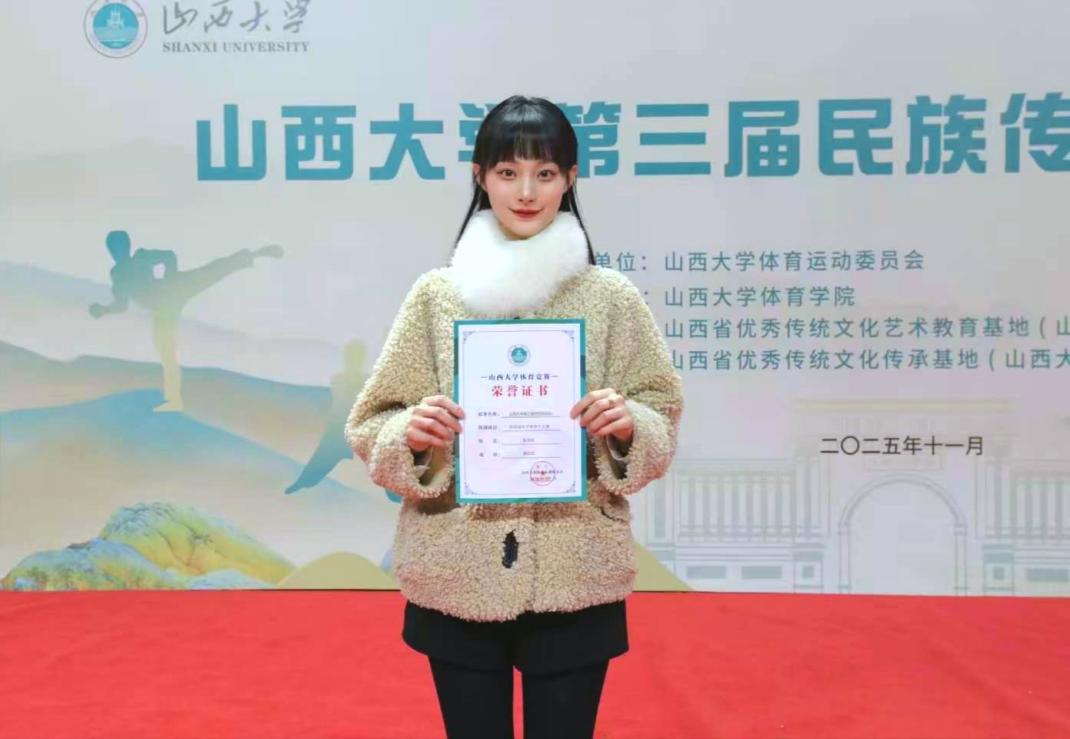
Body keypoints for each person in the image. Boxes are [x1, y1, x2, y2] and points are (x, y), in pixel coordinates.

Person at [344, 95, 683, 739]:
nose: (526, 192)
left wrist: (628, 424)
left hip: (576, 567)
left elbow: (660, 408)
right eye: (508, 172)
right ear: (480, 176)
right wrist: (410, 434)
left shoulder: (610, 297)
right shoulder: (437, 295)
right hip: (457, 566)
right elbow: (373, 420)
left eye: (545, 173)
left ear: (571, 178)